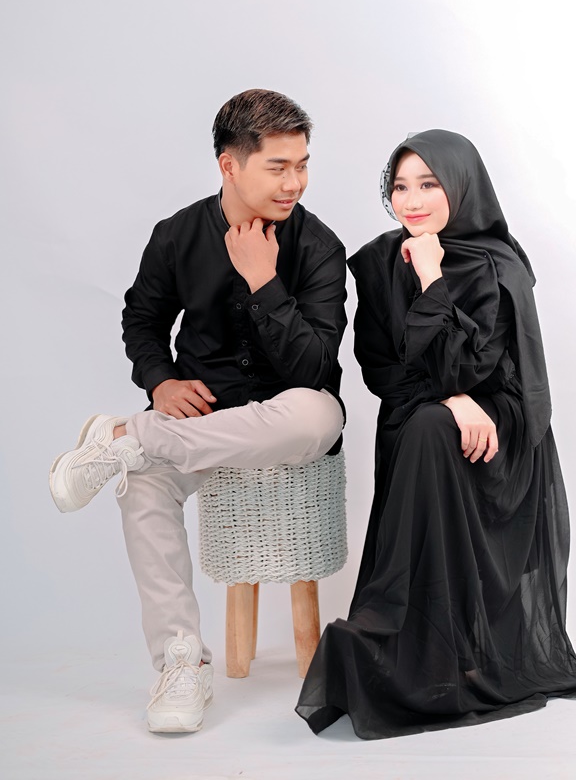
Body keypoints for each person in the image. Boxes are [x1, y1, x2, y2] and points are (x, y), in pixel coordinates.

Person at [296, 129, 576, 739]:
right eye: (400, 187)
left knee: (429, 426)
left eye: (429, 184)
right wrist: (449, 397)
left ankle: (408, 635)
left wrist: (432, 279)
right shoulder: (377, 261)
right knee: (424, 423)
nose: (411, 201)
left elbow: (475, 367)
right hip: (424, 410)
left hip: (500, 426)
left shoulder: (498, 265)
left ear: (461, 187)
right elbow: (381, 369)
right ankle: (408, 643)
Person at [49, 89, 347, 734]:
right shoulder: (177, 235)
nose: (295, 183)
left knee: (319, 415)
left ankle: (127, 436)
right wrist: (160, 383)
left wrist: (264, 282)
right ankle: (181, 663)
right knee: (142, 486)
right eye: (278, 166)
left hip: (286, 419)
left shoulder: (320, 246)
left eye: (302, 165)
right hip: (198, 423)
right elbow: (141, 320)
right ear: (229, 165)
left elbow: (315, 370)